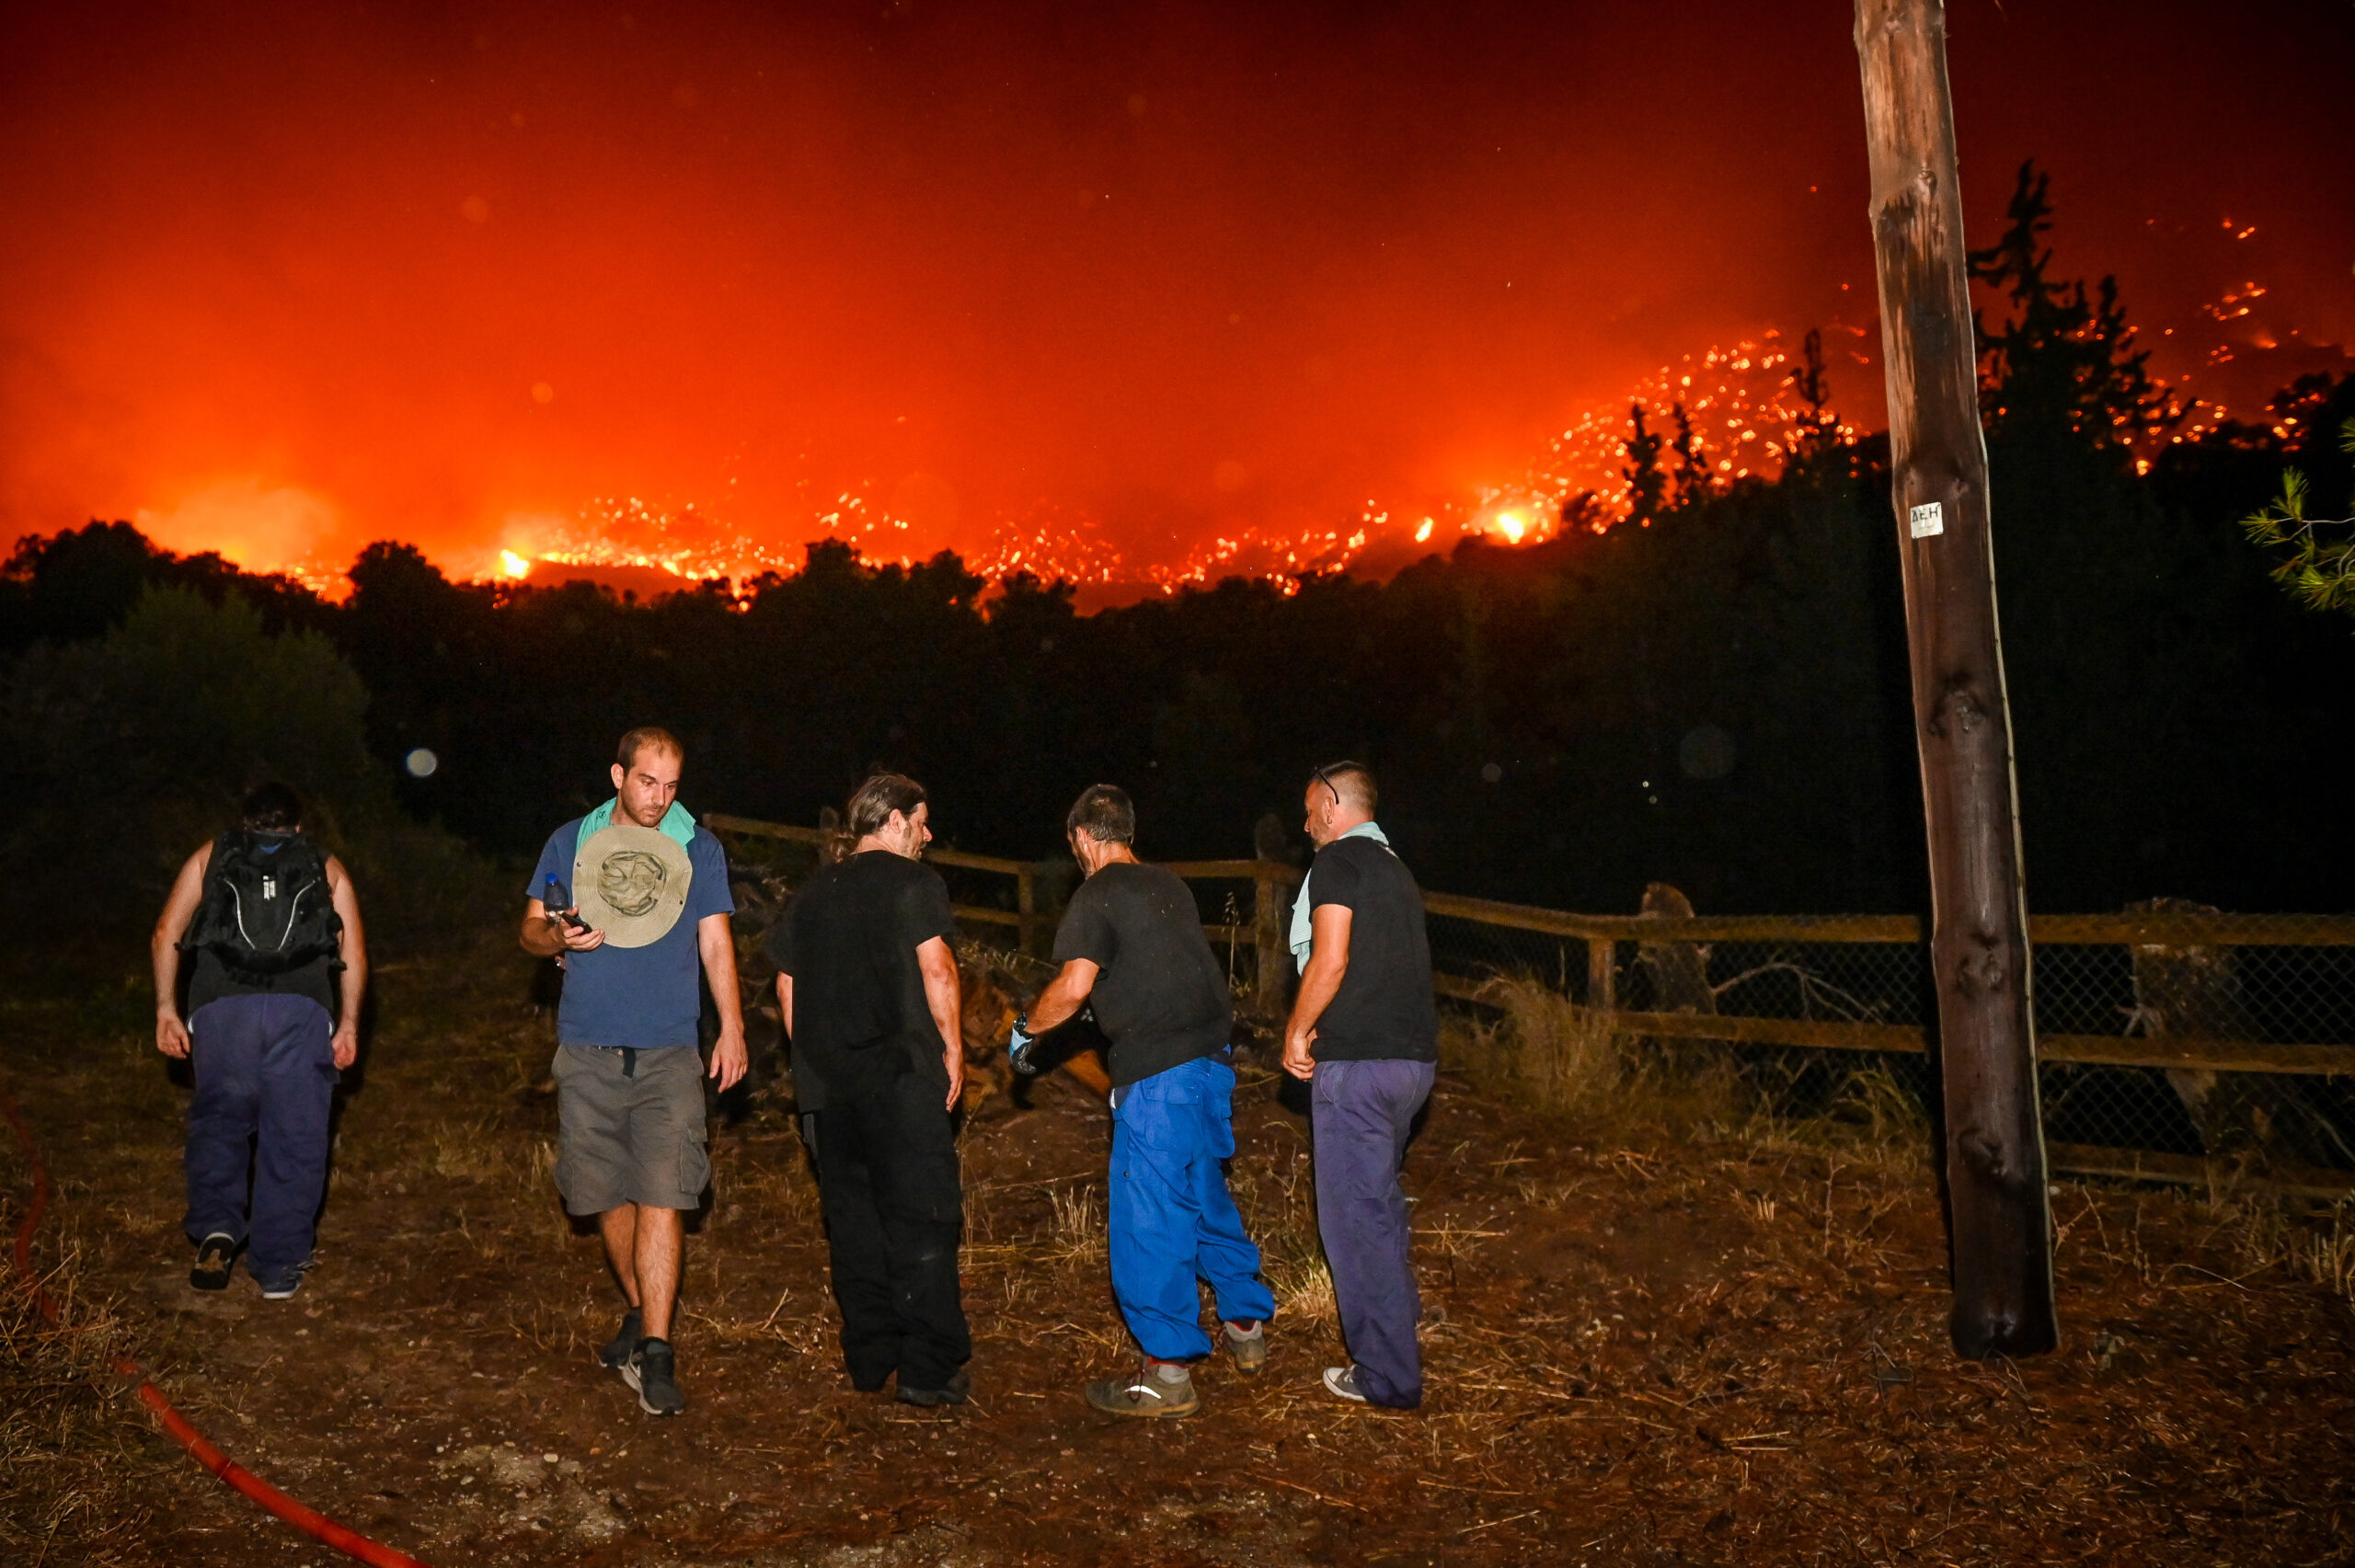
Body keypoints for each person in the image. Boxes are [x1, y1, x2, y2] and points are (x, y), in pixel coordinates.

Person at [1016, 784, 1274, 1419]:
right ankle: (1245, 1321)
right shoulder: (1169, 886)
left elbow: (1073, 988)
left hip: (1159, 1076)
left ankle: (1168, 1372)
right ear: (1127, 830)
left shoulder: (1096, 893)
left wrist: (1027, 1031)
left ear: (1081, 837)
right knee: (1204, 1193)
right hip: (1210, 1064)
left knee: (1151, 1215)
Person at [521, 727, 746, 1417]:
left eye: (672, 784)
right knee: (602, 1195)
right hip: (587, 1047)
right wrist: (558, 936)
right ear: (619, 773)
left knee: (666, 1191)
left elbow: (715, 939)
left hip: (670, 1048)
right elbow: (530, 929)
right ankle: (640, 1311)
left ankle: (656, 1347)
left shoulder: (696, 847)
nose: (659, 797)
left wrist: (731, 1026)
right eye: (648, 780)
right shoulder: (570, 840)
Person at [770, 773, 971, 1406]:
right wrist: (954, 1047)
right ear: (892, 821)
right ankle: (927, 1368)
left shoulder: (809, 895)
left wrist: (817, 1061)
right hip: (902, 1078)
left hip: (830, 1092)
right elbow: (936, 967)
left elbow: (785, 988)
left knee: (853, 1224)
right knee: (922, 1219)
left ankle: (868, 1356)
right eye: (921, 820)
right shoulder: (915, 884)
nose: (927, 834)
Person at [153, 783, 367, 1300]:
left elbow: (166, 933)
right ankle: (278, 1269)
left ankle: (217, 1226)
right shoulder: (326, 865)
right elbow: (354, 954)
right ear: (298, 826)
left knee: (221, 1119)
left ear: (245, 823)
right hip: (301, 1011)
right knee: (294, 1138)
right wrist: (349, 1023)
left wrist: (166, 1008)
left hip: (222, 1010)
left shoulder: (212, 854)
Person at [1281, 761, 1439, 1409]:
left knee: (1354, 1218)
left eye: (1312, 806)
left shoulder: (1339, 862)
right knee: (1380, 1201)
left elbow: (1332, 954)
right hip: (1413, 1066)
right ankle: (1401, 1319)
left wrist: (1297, 1029)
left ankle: (1387, 1375)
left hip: (1360, 1067)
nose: (1306, 821)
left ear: (1335, 802)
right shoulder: (1396, 869)